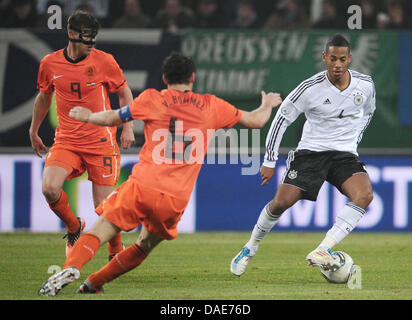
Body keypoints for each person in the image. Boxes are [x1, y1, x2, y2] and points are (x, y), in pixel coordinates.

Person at [38, 52, 282, 296]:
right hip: (175, 198)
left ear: (165, 78)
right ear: (193, 78)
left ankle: (71, 267)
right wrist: (267, 104)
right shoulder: (212, 105)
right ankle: (93, 283)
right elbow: (256, 121)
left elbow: (114, 116)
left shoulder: (152, 99)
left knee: (99, 231)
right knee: (143, 246)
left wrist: (89, 116)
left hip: (143, 186)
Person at [231, 34, 376, 276]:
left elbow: (368, 112)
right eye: (332, 59)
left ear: (350, 58)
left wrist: (354, 140)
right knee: (281, 203)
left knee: (365, 195)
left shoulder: (366, 85)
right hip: (311, 154)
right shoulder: (309, 89)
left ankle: (323, 249)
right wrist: (269, 160)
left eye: (342, 59)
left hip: (344, 156)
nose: (337, 64)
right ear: (324, 58)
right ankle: (250, 246)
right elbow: (280, 120)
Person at [29, 12, 135, 260]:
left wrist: (127, 126)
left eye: (94, 38)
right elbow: (44, 97)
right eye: (87, 38)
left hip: (101, 141)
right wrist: (33, 130)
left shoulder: (104, 61)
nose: (91, 44)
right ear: (72, 34)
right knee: (49, 188)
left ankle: (115, 252)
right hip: (67, 140)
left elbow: (124, 92)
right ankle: (74, 227)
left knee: (105, 208)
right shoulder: (49, 64)